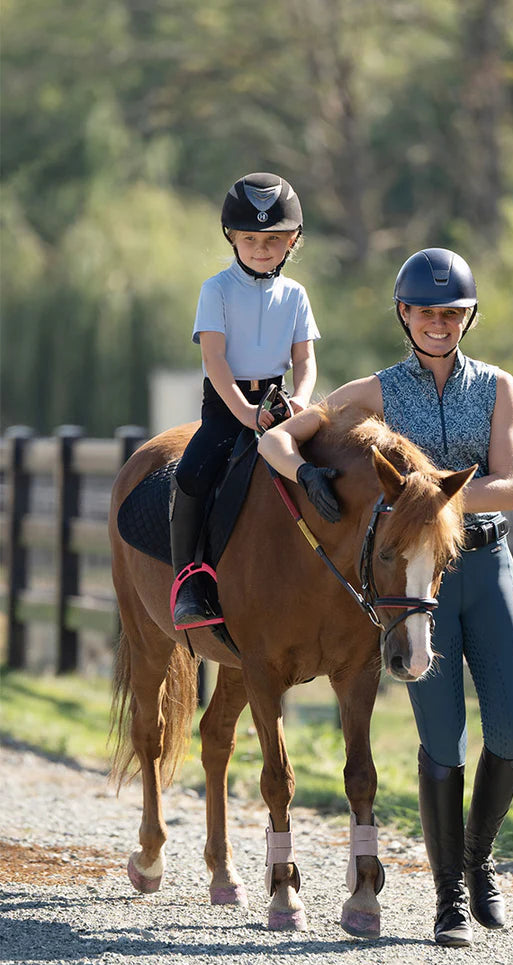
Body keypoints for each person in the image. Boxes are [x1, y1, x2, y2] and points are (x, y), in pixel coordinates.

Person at [258, 248, 513, 948]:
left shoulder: (498, 387)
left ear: (468, 316)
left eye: (450, 313)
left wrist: (426, 496)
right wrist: (301, 470)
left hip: (484, 562)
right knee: (442, 739)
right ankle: (447, 900)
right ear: (404, 315)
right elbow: (283, 438)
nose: (437, 324)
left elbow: (510, 484)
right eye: (424, 312)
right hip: (410, 585)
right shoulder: (374, 390)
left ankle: (478, 862)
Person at [170, 172, 320, 629]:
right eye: (251, 238)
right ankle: (188, 583)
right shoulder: (215, 290)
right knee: (192, 476)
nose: (261, 248)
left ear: (292, 240)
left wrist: (298, 402)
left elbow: (306, 361)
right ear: (233, 237)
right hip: (226, 405)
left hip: (278, 406)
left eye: (273, 239)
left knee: (329, 471)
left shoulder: (296, 295)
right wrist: (245, 414)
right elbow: (215, 360)